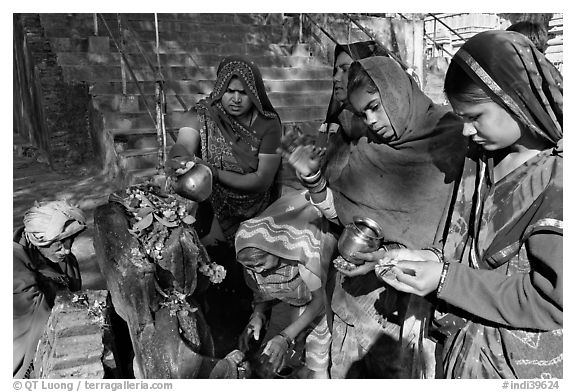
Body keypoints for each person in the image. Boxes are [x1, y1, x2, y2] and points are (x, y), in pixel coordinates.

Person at [372, 30, 563, 379]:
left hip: (514, 367)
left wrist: (446, 279)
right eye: (461, 118)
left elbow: (554, 302)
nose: (465, 130)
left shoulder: (558, 183)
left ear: (516, 101)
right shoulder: (483, 157)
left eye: (475, 116)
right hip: (462, 347)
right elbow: (465, 236)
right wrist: (432, 260)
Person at [280, 55, 467, 378]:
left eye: (375, 106)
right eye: (363, 113)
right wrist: (314, 180)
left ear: (397, 91)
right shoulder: (369, 146)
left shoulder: (454, 139)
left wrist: (389, 258)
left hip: (414, 314)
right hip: (356, 305)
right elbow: (342, 213)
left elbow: (461, 238)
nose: (372, 120)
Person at [168, 56, 282, 247]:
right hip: (212, 204)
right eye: (229, 91)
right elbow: (184, 145)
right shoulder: (203, 114)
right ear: (220, 89)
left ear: (254, 94)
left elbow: (262, 180)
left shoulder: (268, 124)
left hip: (255, 210)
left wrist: (214, 173)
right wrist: (179, 158)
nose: (236, 99)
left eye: (243, 93)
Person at [235, 194, 337, 378]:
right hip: (287, 301)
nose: (258, 271)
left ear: (275, 248)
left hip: (319, 304)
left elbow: (319, 301)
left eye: (261, 264)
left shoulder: (303, 255)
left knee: (316, 364)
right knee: (271, 359)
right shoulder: (250, 264)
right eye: (251, 267)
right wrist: (258, 314)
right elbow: (262, 292)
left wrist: (285, 337)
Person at [13, 200, 87, 378]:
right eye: (60, 245)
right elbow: (33, 317)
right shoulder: (12, 264)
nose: (67, 251)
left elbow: (74, 293)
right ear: (40, 241)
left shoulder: (65, 260)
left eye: (70, 242)